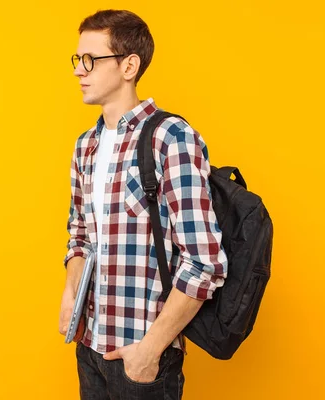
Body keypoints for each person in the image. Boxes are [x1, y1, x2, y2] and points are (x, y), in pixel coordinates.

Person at [58, 9, 229, 400]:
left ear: (129, 65)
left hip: (140, 358)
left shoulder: (170, 138)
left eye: (90, 60)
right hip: (89, 346)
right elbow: (79, 235)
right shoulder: (86, 146)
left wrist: (149, 351)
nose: (77, 71)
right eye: (76, 60)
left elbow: (204, 261)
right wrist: (71, 293)